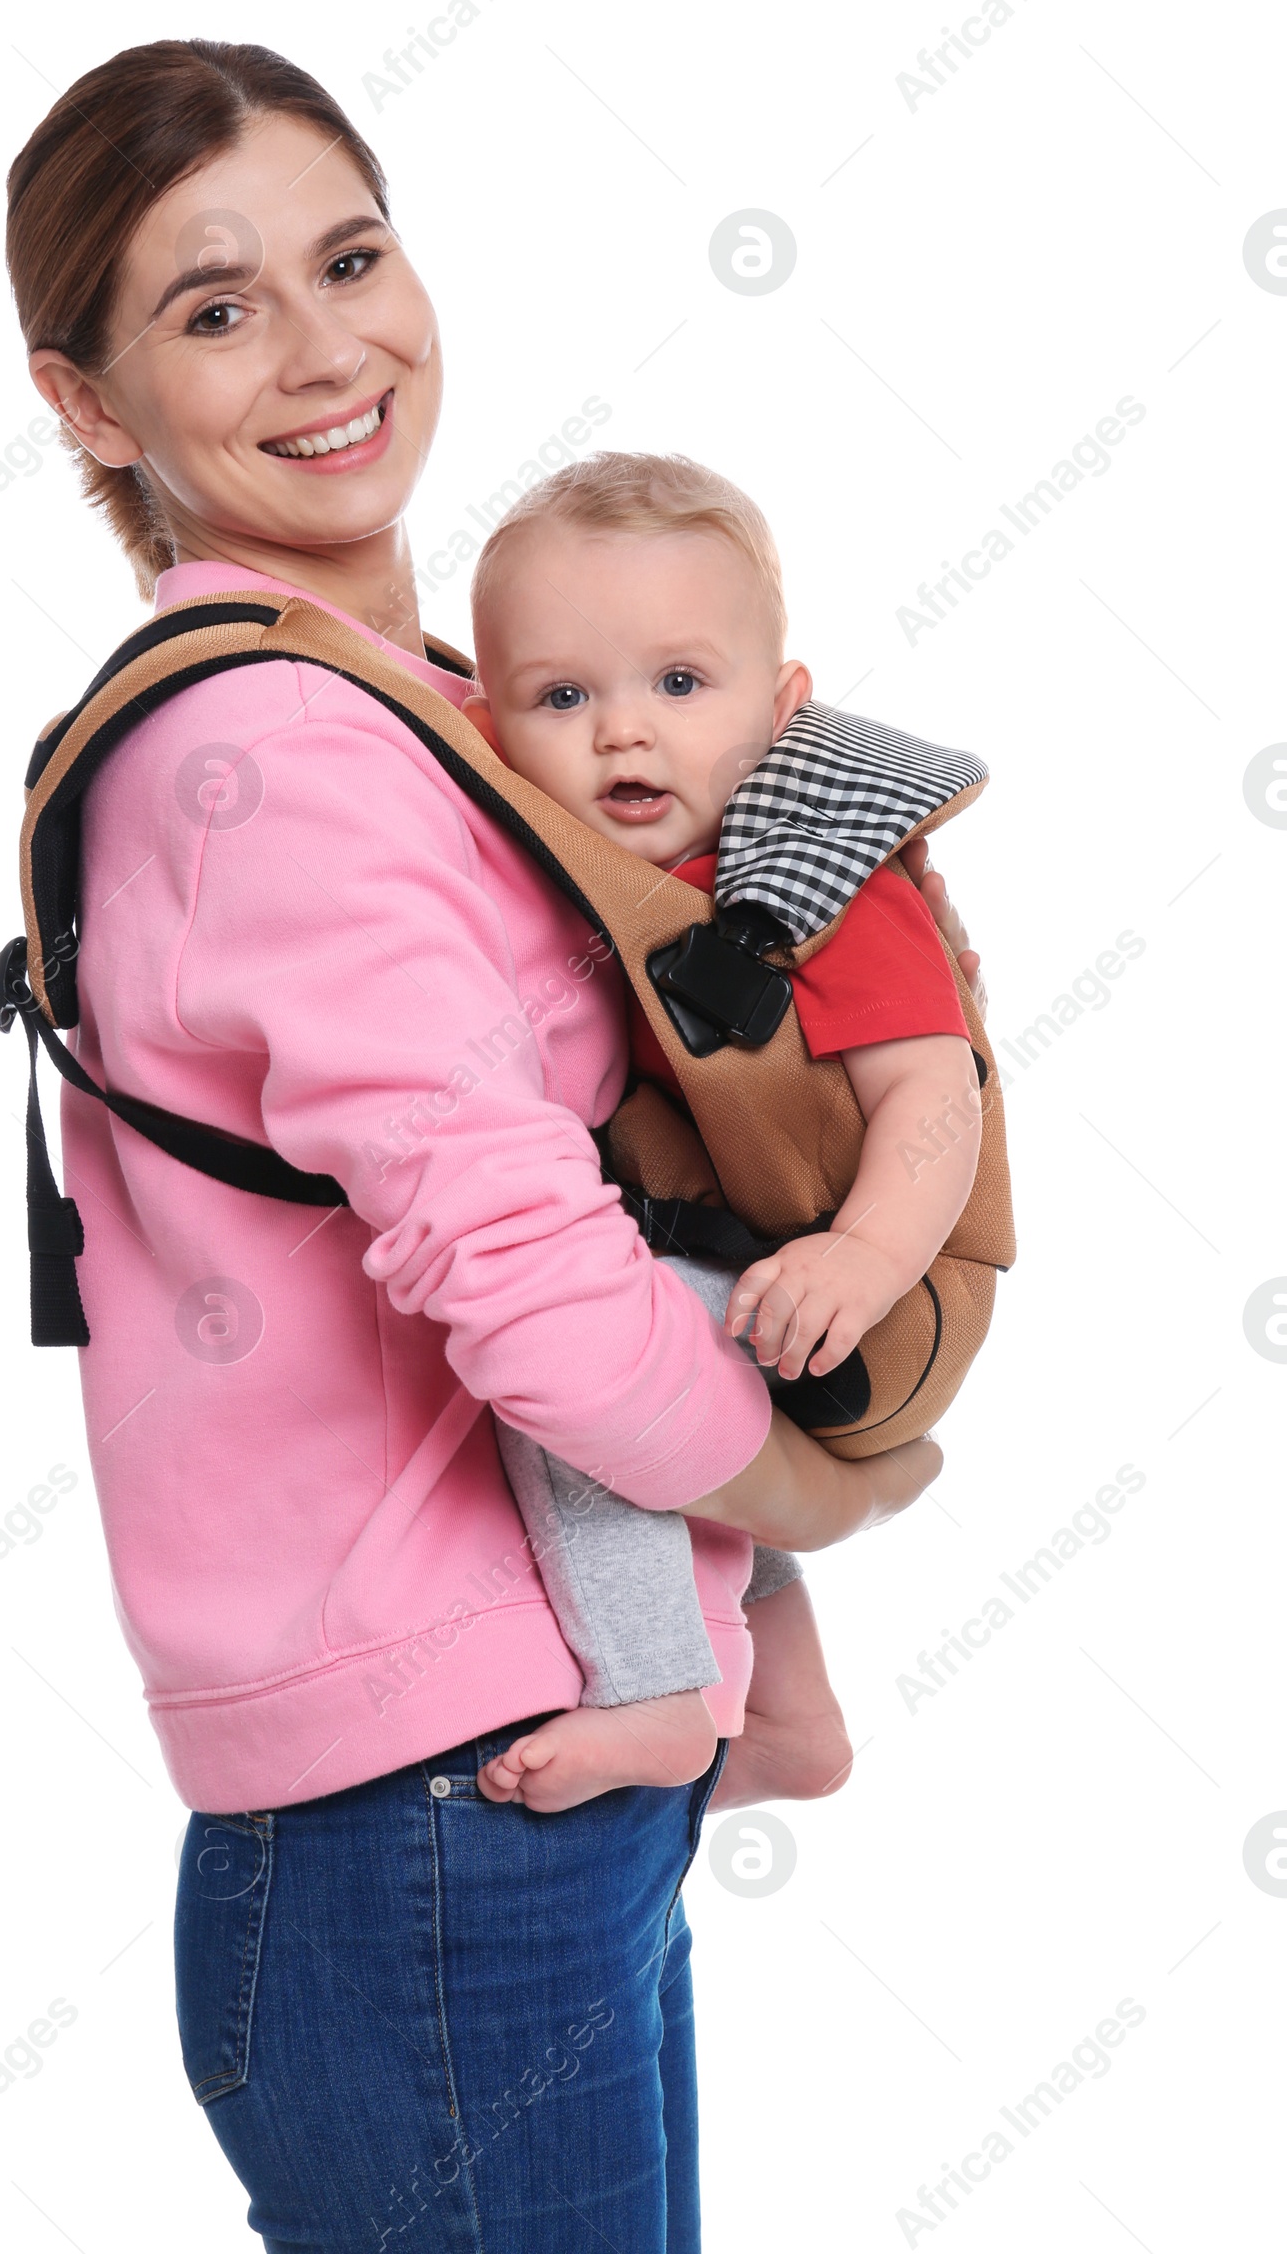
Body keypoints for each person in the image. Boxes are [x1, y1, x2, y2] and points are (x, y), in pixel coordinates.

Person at [5, 35, 985, 2253]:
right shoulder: (277, 746)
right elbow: (534, 1296)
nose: (329, 346)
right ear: (86, 403)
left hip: (519, 1772)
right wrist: (826, 1457)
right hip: (436, 1803)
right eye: (214, 306)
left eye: (351, 257)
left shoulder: (443, 697)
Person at [455, 450, 983, 1816]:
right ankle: (793, 1719)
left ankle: (656, 1693)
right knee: (690, 1422)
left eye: (680, 684)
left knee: (574, 1367)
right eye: (562, 697)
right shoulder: (613, 880)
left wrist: (860, 1260)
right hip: (749, 1265)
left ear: (783, 705)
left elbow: (935, 1095)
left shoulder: (807, 885)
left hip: (867, 1286)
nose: (624, 733)